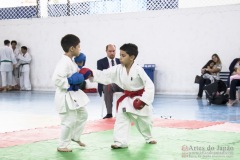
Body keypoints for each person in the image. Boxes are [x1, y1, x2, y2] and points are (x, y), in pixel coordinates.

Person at [89, 43, 157, 149]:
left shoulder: (139, 70)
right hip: (126, 98)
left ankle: (149, 137)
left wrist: (144, 100)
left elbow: (150, 85)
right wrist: (91, 73)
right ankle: (120, 142)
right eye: (120, 55)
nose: (120, 58)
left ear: (132, 57)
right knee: (121, 118)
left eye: (123, 55)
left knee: (144, 121)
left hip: (139, 98)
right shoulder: (118, 69)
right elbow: (105, 74)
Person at [52, 34, 89, 152]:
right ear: (72, 48)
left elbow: (77, 74)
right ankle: (62, 145)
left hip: (73, 96)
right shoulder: (63, 62)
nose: (80, 49)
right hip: (64, 96)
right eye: (78, 46)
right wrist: (69, 81)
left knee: (83, 114)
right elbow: (56, 79)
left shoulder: (71, 61)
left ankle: (75, 136)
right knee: (68, 120)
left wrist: (80, 66)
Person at [97, 44, 123, 119]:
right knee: (107, 86)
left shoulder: (120, 61)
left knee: (131, 85)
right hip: (109, 84)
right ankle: (109, 113)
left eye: (113, 51)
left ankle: (130, 111)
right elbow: (100, 76)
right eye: (110, 51)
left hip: (121, 84)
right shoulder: (100, 62)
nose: (112, 53)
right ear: (106, 51)